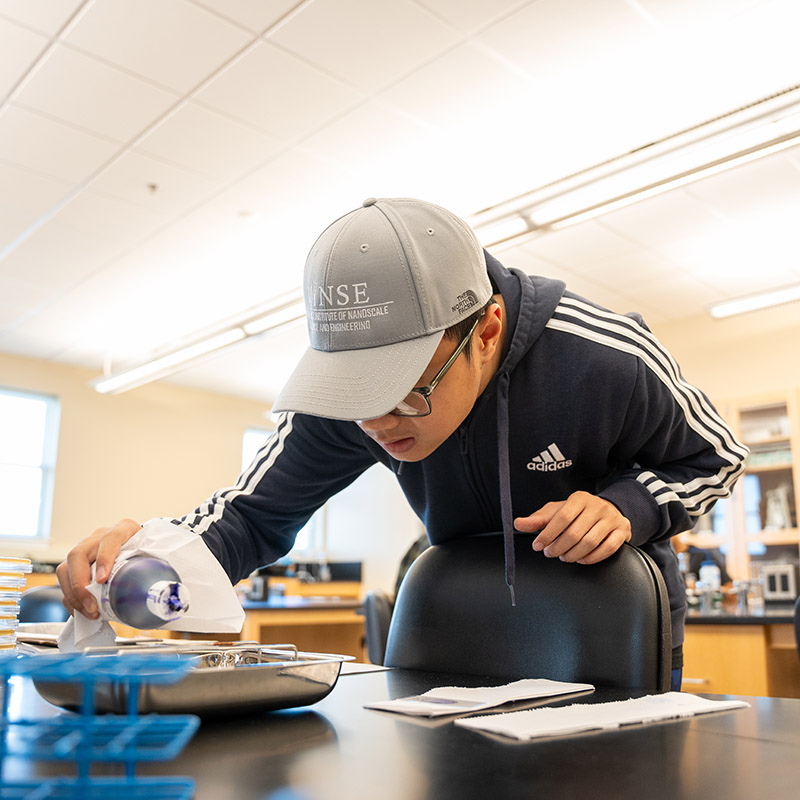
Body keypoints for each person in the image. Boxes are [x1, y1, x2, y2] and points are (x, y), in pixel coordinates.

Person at [58, 197, 748, 691]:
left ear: (485, 332)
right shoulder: (351, 405)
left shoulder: (603, 358)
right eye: (358, 401)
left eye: (407, 393)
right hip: (457, 618)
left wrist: (630, 506)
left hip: (608, 617)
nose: (380, 424)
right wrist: (152, 552)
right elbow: (247, 517)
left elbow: (716, 457)